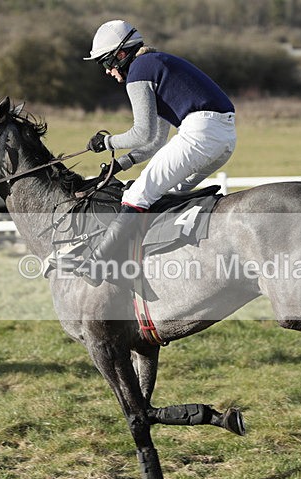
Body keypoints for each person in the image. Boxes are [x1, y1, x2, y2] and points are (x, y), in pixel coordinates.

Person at [76, 19, 237, 286]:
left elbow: (142, 134)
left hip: (200, 134)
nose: (106, 71)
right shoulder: (154, 64)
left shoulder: (139, 70)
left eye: (105, 63)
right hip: (224, 137)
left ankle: (97, 265)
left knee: (137, 194)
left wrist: (107, 143)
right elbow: (157, 140)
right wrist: (123, 164)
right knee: (167, 196)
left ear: (122, 54)